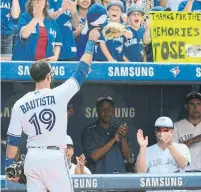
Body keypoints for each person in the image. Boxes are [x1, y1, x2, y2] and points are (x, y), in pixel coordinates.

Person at [5, 28, 100, 192]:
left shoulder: (20, 104)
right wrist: (90, 42)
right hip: (54, 156)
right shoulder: (59, 93)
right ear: (49, 76)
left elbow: (12, 144)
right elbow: (82, 69)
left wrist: (9, 167)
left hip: (32, 157)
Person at [81, 96, 131, 174]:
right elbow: (94, 156)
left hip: (119, 179)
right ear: (97, 111)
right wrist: (113, 140)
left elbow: (127, 157)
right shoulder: (88, 131)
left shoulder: (119, 130)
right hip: (98, 180)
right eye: (102, 108)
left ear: (113, 111)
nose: (106, 111)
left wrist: (123, 138)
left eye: (109, 108)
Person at [173, 92, 201, 172]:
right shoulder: (176, 126)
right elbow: (171, 152)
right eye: (192, 104)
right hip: (185, 173)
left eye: (198, 104)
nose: (195, 107)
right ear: (186, 107)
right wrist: (192, 141)